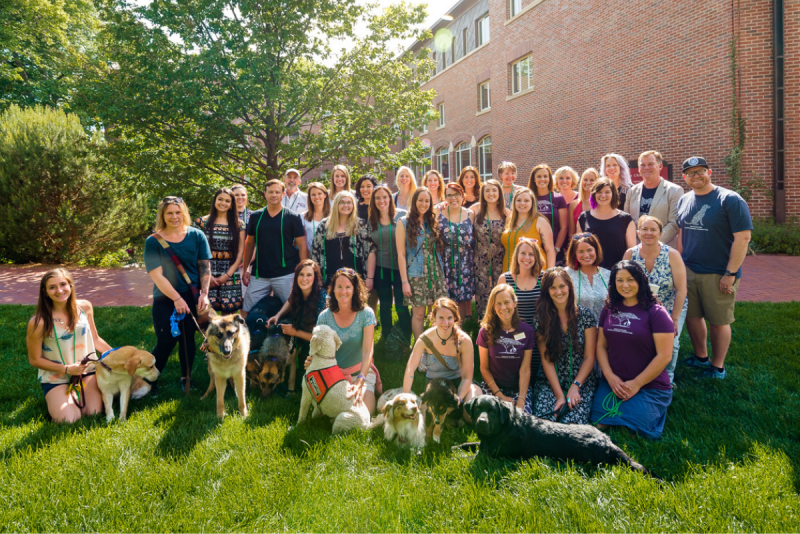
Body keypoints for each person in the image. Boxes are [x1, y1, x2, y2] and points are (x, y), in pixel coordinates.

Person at [676, 156, 752, 380]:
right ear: (685, 177)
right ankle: (701, 357)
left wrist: (730, 273)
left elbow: (743, 238)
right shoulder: (685, 200)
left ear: (709, 172)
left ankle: (717, 367)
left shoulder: (729, 199)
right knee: (692, 316)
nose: (695, 176)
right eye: (691, 173)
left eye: (700, 171)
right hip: (689, 270)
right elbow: (682, 232)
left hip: (718, 272)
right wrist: (679, 264)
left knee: (719, 321)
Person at [590, 261, 674, 439]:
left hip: (649, 385)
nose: (625, 285)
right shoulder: (609, 308)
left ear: (640, 281)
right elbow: (601, 346)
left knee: (633, 430)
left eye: (630, 280)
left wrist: (637, 383)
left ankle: (654, 406)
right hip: (614, 383)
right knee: (599, 422)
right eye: (620, 280)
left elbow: (665, 355)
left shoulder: (657, 312)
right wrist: (610, 376)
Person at [144, 196, 212, 388]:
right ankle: (149, 379)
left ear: (184, 213)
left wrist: (204, 294)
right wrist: (176, 298)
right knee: (166, 341)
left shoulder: (197, 236)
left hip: (192, 297)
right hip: (165, 297)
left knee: (187, 339)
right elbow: (157, 276)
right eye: (170, 213)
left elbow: (205, 267)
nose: (175, 216)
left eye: (178, 212)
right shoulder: (153, 241)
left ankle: (186, 378)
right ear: (163, 215)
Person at [26, 268, 108, 422]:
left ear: (70, 285)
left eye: (63, 284)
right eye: (52, 287)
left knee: (94, 413)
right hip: (56, 376)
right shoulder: (38, 322)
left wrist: (118, 355)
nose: (59, 290)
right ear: (45, 292)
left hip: (86, 371)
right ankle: (58, 395)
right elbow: (35, 360)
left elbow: (95, 339)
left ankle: (71, 395)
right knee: (69, 419)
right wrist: (67, 369)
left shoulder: (85, 307)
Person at [623, 215, 687, 386]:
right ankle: (641, 372)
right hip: (640, 307)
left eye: (653, 229)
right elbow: (621, 284)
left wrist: (674, 318)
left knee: (671, 342)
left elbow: (681, 289)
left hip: (669, 306)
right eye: (644, 229)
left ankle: (668, 377)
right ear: (638, 232)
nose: (648, 233)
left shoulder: (672, 255)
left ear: (660, 233)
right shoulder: (630, 254)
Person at [532, 268, 598, 424]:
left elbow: (589, 357)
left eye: (562, 286)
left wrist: (575, 386)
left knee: (573, 424)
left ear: (569, 286)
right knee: (544, 422)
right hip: (551, 380)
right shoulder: (541, 319)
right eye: (553, 287)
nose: (558, 291)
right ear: (547, 291)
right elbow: (546, 359)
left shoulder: (586, 316)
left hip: (581, 380)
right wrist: (559, 395)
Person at [311, 268, 381, 414]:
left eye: (348, 287)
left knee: (365, 413)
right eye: (339, 287)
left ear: (355, 290)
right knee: (337, 413)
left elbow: (368, 351)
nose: (343, 291)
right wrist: (311, 360)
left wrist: (360, 380)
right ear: (333, 289)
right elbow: (317, 349)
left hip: (361, 372)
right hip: (333, 375)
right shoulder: (324, 317)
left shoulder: (366, 313)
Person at [241, 180, 308, 319]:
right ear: (265, 194)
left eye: (277, 192)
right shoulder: (255, 217)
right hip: (260, 273)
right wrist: (246, 268)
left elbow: (302, 245)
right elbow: (249, 244)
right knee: (246, 309)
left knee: (294, 309)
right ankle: (250, 339)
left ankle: (292, 339)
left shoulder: (292, 217)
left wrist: (304, 269)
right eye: (270, 192)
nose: (274, 195)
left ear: (283, 194)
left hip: (286, 274)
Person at [402, 298, 482, 403]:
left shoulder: (464, 340)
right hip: (434, 387)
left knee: (470, 409)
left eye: (449, 318)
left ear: (455, 318)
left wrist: (458, 400)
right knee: (430, 414)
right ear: (434, 317)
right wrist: (406, 396)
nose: (445, 323)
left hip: (459, 385)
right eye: (441, 318)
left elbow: (467, 378)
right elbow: (411, 368)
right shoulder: (425, 339)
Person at [267, 259, 328, 396]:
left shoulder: (323, 300)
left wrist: (295, 332)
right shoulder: (297, 292)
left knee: (307, 381)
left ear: (315, 277)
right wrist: (278, 315)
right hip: (301, 335)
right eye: (301, 274)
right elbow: (290, 301)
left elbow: (322, 339)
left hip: (319, 344)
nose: (304, 278)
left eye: (309, 275)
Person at [396, 187, 448, 342]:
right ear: (414, 201)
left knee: (436, 312)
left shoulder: (431, 221)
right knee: (418, 314)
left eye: (427, 201)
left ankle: (436, 345)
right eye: (420, 200)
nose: (424, 204)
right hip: (416, 275)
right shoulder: (403, 222)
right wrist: (405, 282)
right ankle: (421, 350)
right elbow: (401, 254)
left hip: (435, 273)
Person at [476, 284, 535, 414]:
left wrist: (521, 399)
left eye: (507, 302)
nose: (503, 307)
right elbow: (484, 368)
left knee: (522, 420)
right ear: (493, 306)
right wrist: (499, 395)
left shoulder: (527, 331)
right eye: (499, 304)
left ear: (514, 303)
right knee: (492, 419)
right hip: (493, 386)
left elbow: (525, 370)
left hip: (518, 388)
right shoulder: (485, 331)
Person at [366, 185, 410, 341]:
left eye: (384, 197)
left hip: (401, 269)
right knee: (384, 305)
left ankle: (405, 336)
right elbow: (371, 249)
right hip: (381, 269)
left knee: (401, 304)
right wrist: (370, 277)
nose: (381, 201)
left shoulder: (403, 216)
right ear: (373, 201)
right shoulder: (371, 221)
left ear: (390, 199)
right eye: (377, 198)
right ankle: (386, 337)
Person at [193, 187, 245, 313]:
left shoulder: (239, 224)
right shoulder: (201, 222)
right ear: (214, 200)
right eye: (220, 199)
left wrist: (227, 275)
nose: (223, 203)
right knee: (207, 316)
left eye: (227, 201)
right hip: (206, 274)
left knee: (228, 319)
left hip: (230, 275)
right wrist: (207, 276)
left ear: (232, 204)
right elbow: (195, 252)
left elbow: (240, 254)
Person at [498, 237, 545, 375]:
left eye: (531, 254)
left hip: (539, 333)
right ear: (516, 255)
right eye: (523, 253)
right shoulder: (505, 279)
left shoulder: (543, 278)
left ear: (536, 257)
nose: (527, 257)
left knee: (537, 370)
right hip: (514, 333)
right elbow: (497, 308)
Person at [311, 191, 376, 288]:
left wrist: (370, 278)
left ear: (353, 205)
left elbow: (371, 251)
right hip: (329, 279)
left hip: (356, 278)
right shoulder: (324, 225)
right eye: (342, 202)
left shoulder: (360, 225)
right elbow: (314, 253)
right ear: (336, 204)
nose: (346, 205)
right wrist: (318, 279)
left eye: (349, 202)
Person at [624, 151, 684, 247]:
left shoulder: (674, 191)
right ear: (639, 168)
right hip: (636, 248)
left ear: (660, 166)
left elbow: (674, 224)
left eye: (651, 164)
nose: (646, 168)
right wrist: (637, 242)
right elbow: (627, 221)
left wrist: (650, 241)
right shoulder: (632, 191)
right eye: (643, 165)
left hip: (663, 249)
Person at [577, 178, 636, 269]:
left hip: (617, 274)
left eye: (607, 192)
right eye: (599, 192)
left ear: (613, 194)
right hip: (591, 272)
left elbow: (632, 252)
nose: (603, 195)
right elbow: (579, 248)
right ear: (594, 194)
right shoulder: (583, 218)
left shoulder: (626, 219)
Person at [471, 179, 509, 317]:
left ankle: (500, 320)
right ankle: (483, 323)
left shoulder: (507, 213)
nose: (491, 193)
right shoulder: (475, 210)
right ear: (482, 193)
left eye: (494, 190)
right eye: (487, 190)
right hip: (480, 259)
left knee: (500, 291)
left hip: (500, 259)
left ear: (499, 192)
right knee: (482, 292)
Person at [437, 183, 476, 321]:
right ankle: (446, 328)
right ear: (445, 198)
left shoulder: (470, 214)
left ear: (462, 196)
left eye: (456, 194)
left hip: (465, 261)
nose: (453, 198)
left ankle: (462, 331)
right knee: (447, 299)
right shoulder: (439, 213)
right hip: (446, 261)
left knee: (463, 297)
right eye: (449, 195)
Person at [501, 187, 556, 271]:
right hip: (510, 271)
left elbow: (550, 250)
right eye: (519, 200)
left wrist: (550, 274)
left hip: (533, 272)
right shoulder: (509, 220)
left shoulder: (540, 221)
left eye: (526, 201)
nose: (522, 203)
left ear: (532, 203)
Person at [529, 164, 568, 265]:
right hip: (532, 250)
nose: (542, 179)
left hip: (555, 249)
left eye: (545, 176)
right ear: (534, 179)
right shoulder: (528, 198)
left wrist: (556, 249)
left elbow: (564, 228)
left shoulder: (558, 198)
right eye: (539, 176)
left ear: (550, 179)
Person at [565, 233, 610, 321]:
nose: (586, 255)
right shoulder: (566, 274)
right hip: (577, 330)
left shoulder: (609, 275)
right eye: (580, 251)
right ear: (575, 254)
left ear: (596, 251)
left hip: (604, 330)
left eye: (589, 250)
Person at [300, 182, 331, 256]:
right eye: (313, 195)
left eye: (319, 193)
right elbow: (302, 242)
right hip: (311, 256)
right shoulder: (303, 216)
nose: (316, 197)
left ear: (325, 195)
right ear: (310, 197)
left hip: (329, 256)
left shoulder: (333, 215)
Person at [569, 168, 599, 237]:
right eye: (585, 180)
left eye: (592, 180)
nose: (588, 183)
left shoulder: (601, 204)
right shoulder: (573, 205)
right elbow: (571, 233)